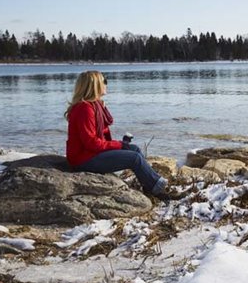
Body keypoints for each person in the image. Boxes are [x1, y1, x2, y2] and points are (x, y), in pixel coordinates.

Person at [64, 70, 177, 200]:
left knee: (135, 149)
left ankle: (150, 186)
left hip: (90, 153)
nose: (106, 84)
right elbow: (91, 143)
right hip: (83, 159)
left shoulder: (94, 106)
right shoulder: (85, 108)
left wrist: (120, 145)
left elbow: (103, 133)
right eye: (104, 81)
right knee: (134, 158)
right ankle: (158, 189)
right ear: (94, 85)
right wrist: (119, 145)